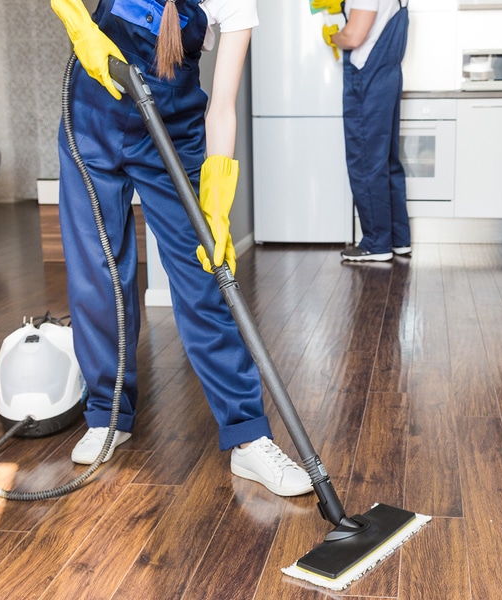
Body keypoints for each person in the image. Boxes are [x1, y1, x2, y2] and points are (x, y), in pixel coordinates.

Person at [50, 0, 312, 497]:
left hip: (173, 130)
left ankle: (248, 435)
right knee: (98, 276)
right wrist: (79, 25)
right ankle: (108, 416)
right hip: (91, 121)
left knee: (204, 281)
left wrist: (217, 199)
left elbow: (223, 107)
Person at [316, 0, 411, 262]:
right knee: (386, 161)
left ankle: (376, 242)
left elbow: (354, 36)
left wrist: (333, 36)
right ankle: (398, 239)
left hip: (367, 78)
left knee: (366, 161)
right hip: (387, 75)